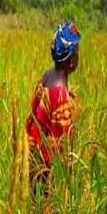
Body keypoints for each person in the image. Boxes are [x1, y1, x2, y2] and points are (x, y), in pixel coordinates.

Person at [27, 22, 81, 191]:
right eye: (78, 53)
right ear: (71, 62)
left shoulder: (46, 76)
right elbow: (60, 149)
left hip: (34, 160)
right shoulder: (60, 98)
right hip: (46, 175)